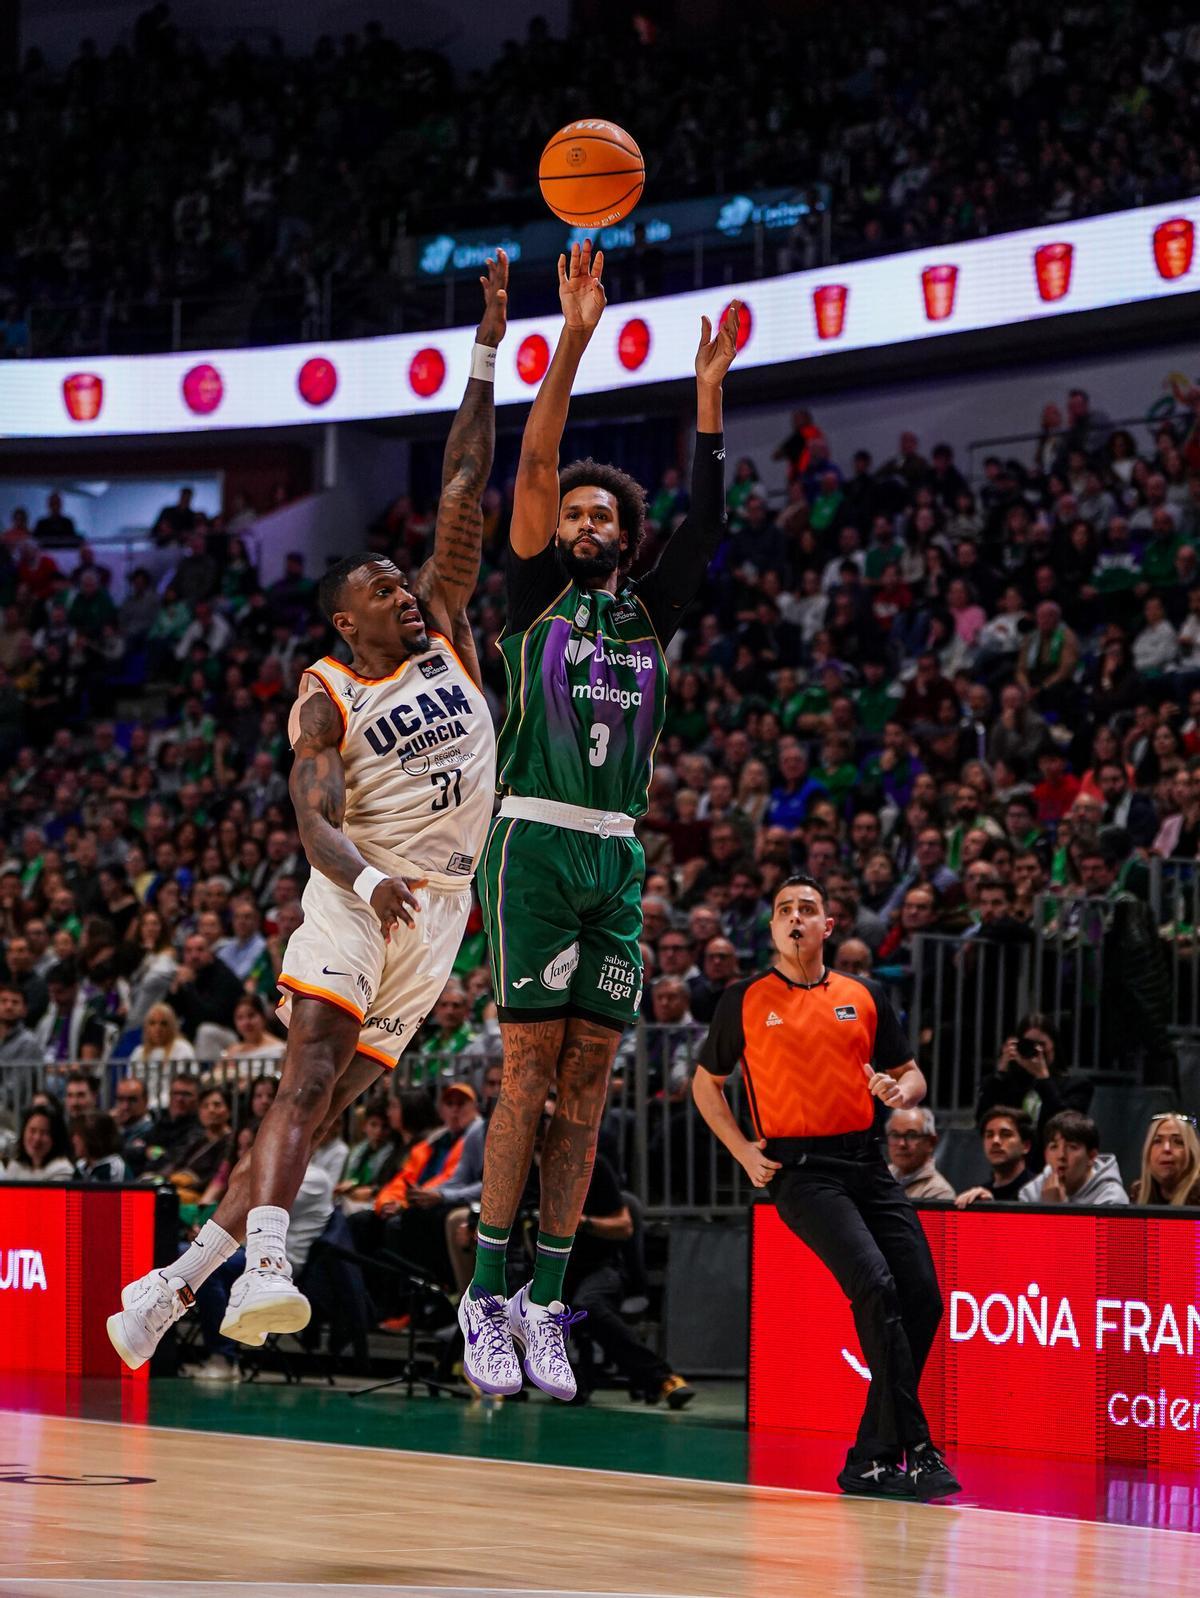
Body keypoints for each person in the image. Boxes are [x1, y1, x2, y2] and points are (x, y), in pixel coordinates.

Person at [108, 255, 508, 1370]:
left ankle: (166, 1290)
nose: (402, 589)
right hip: (355, 891)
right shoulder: (326, 695)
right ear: (346, 622)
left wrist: (487, 347)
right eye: (381, 584)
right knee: (307, 1082)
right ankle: (266, 1271)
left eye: (401, 575)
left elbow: (468, 477)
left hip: (441, 911)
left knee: (325, 1116)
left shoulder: (452, 632)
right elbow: (313, 823)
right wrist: (370, 882)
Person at [463, 241, 742, 1402]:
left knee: (590, 1087)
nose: (582, 517)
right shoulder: (535, 594)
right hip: (531, 837)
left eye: (600, 511)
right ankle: (485, 1293)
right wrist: (573, 333)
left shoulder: (647, 614)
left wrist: (710, 396)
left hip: (614, 851)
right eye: (572, 509)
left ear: (622, 534)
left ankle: (544, 1303)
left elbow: (707, 522)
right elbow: (530, 457)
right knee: (526, 1070)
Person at [692, 874, 960, 1501]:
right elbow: (708, 1083)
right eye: (783, 909)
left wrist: (902, 1094)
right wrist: (742, 1154)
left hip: (868, 1164)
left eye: (807, 909)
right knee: (875, 1285)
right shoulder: (745, 998)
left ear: (828, 926)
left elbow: (910, 1073)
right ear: (772, 928)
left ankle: (869, 1457)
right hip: (801, 1173)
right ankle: (916, 1446)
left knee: (923, 1296)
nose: (794, 918)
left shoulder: (863, 996)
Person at [975, 1014, 1092, 1163]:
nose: (1037, 1051)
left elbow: (1066, 1125)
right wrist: (1001, 1072)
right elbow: (983, 1120)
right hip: (1011, 1168)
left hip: (1053, 1167)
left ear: (1054, 1046)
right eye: (1028, 1044)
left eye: (1042, 1045)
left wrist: (1043, 1078)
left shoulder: (1076, 1085)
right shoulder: (1008, 1083)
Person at [1019, 1111, 1129, 1205]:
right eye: (1054, 1147)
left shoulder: (1112, 1199)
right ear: (1045, 1155)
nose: (1061, 1155)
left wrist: (1055, 1209)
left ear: (1091, 1156)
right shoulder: (1031, 1192)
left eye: (1072, 1147)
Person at [955, 1105, 1040, 1205]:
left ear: (1025, 1146)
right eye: (989, 1135)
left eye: (1006, 1134)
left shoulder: (1039, 1190)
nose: (995, 1141)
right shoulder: (978, 1197)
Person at [1128, 1113, 1200, 1205]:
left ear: (1192, 1152)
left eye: (1178, 1142)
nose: (1166, 1148)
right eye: (1157, 1141)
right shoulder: (1138, 1192)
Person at [885, 1107, 956, 1200]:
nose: (901, 1144)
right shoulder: (879, 1177)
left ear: (931, 1142)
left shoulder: (939, 1193)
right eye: (895, 1135)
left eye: (912, 1135)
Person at [1, 1104, 74, 1180]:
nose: (37, 1138)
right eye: (32, 1130)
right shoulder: (15, 1166)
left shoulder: (61, 1170)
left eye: (44, 1132)